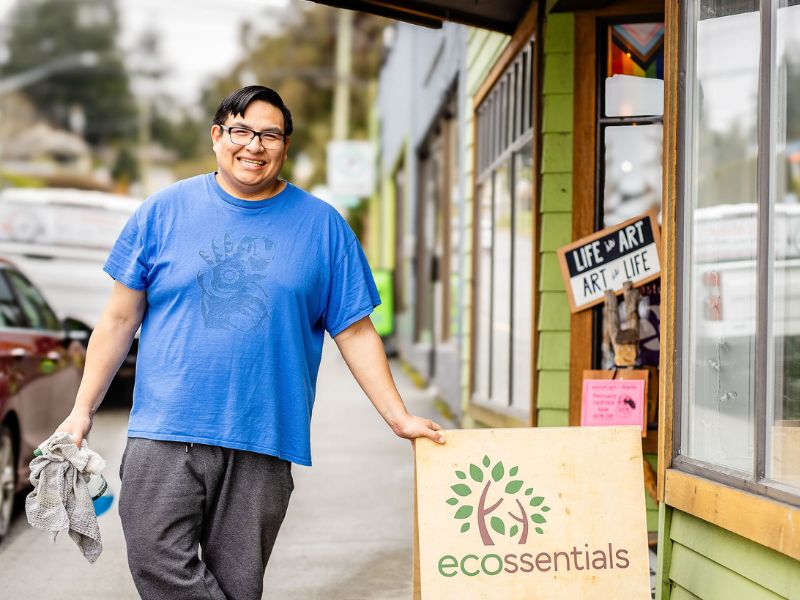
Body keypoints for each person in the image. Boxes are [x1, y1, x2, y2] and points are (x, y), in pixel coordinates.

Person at [54, 85, 445, 600]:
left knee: (239, 585)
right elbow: (119, 319)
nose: (253, 145)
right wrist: (83, 409)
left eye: (270, 135)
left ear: (285, 147)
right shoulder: (163, 211)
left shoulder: (323, 227)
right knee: (153, 555)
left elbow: (354, 329)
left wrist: (399, 417)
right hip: (166, 427)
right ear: (218, 137)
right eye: (240, 130)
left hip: (264, 434)